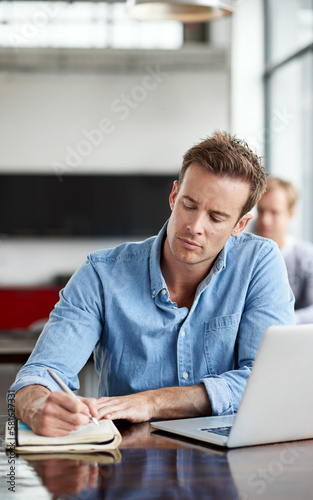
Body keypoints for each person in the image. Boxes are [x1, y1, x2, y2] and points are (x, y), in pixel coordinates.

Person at [9, 131, 295, 437]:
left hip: (230, 465)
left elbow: (269, 382)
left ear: (239, 225)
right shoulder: (101, 274)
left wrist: (154, 401)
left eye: (216, 217)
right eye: (189, 205)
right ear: (173, 196)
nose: (195, 227)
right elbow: (37, 376)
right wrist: (37, 405)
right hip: (127, 465)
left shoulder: (259, 261)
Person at [256, 177, 313, 324]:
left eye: (274, 212)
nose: (265, 220)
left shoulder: (312, 258)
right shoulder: (246, 255)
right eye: (261, 211)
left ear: (291, 214)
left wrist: (276, 321)